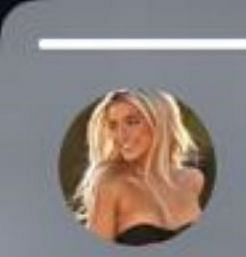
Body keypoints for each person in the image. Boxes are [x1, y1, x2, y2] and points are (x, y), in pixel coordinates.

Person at [72, 87, 207, 243]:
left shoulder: (193, 180)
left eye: (132, 122)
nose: (121, 135)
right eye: (113, 125)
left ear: (161, 122)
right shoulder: (111, 184)